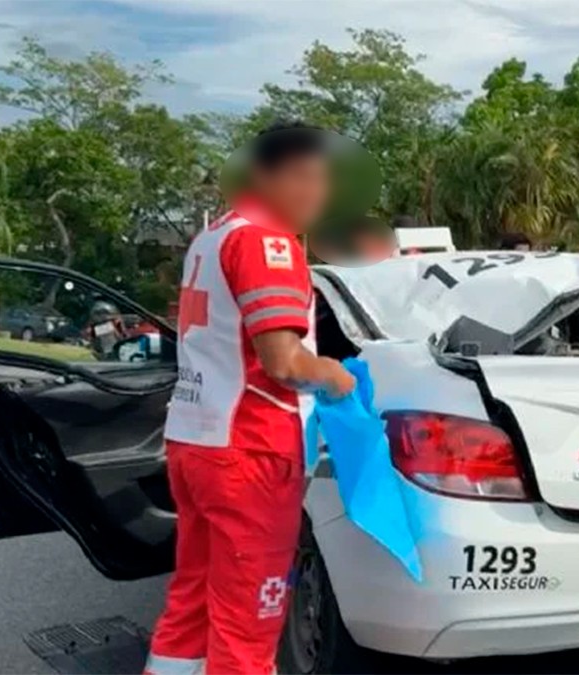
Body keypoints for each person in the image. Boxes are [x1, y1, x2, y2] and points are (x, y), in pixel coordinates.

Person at [145, 121, 356, 674]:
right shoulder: (268, 242)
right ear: (263, 176)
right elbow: (284, 362)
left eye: (323, 179)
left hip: (195, 441)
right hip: (251, 452)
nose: (317, 192)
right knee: (249, 624)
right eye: (303, 176)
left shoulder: (212, 236)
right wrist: (336, 376)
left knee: (191, 602)